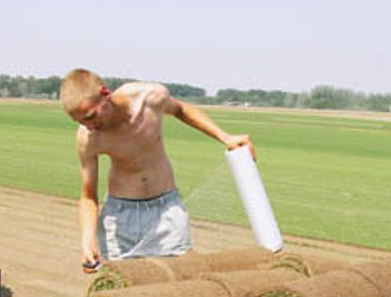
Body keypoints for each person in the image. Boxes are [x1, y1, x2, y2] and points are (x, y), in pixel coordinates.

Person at [60, 69, 252, 268]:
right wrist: (87, 240)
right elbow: (88, 195)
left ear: (105, 94)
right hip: (121, 218)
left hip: (166, 210)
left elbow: (180, 109)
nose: (89, 126)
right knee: (123, 290)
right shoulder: (88, 138)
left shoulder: (150, 98)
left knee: (179, 279)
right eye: (81, 121)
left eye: (91, 116)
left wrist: (226, 137)